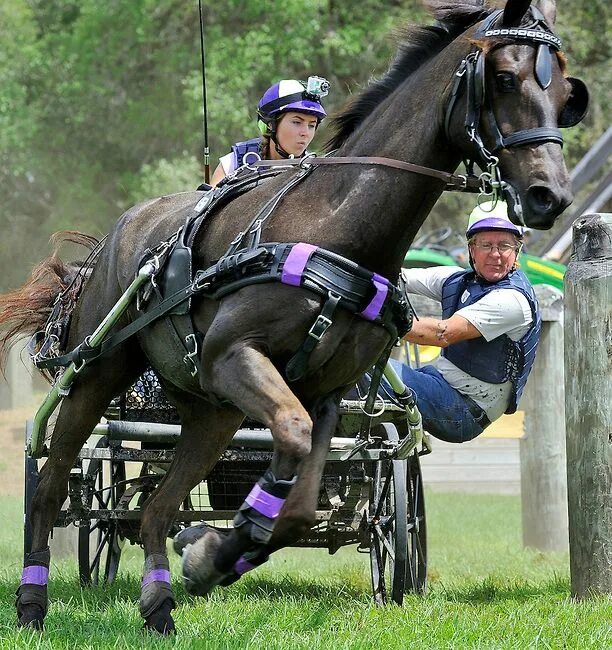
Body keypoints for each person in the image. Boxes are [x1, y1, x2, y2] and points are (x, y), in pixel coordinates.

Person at [389, 200, 542, 443]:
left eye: (504, 245)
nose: (495, 254)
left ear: (516, 251)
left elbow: (443, 334)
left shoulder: (512, 300)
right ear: (471, 249)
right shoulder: (458, 280)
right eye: (486, 245)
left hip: (464, 411)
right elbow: (398, 276)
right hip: (439, 382)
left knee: (366, 370)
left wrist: (379, 315)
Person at [210, 76, 330, 187]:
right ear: (271, 124)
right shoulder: (233, 163)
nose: (305, 133)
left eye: (311, 125)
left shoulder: (316, 173)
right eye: (297, 122)